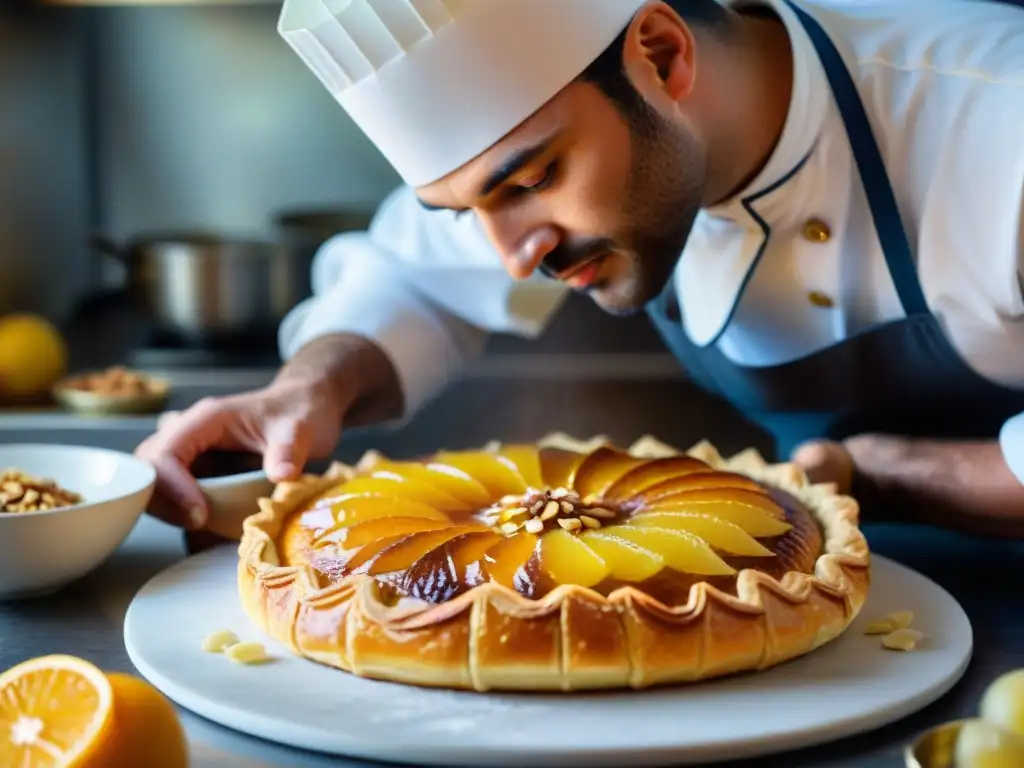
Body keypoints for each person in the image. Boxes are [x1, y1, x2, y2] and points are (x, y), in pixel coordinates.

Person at [136, 0, 1024, 537]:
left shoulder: (999, 120)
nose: (514, 252)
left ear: (662, 55)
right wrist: (306, 392)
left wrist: (888, 475)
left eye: (530, 181)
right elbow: (407, 277)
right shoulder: (567, 147)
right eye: (466, 210)